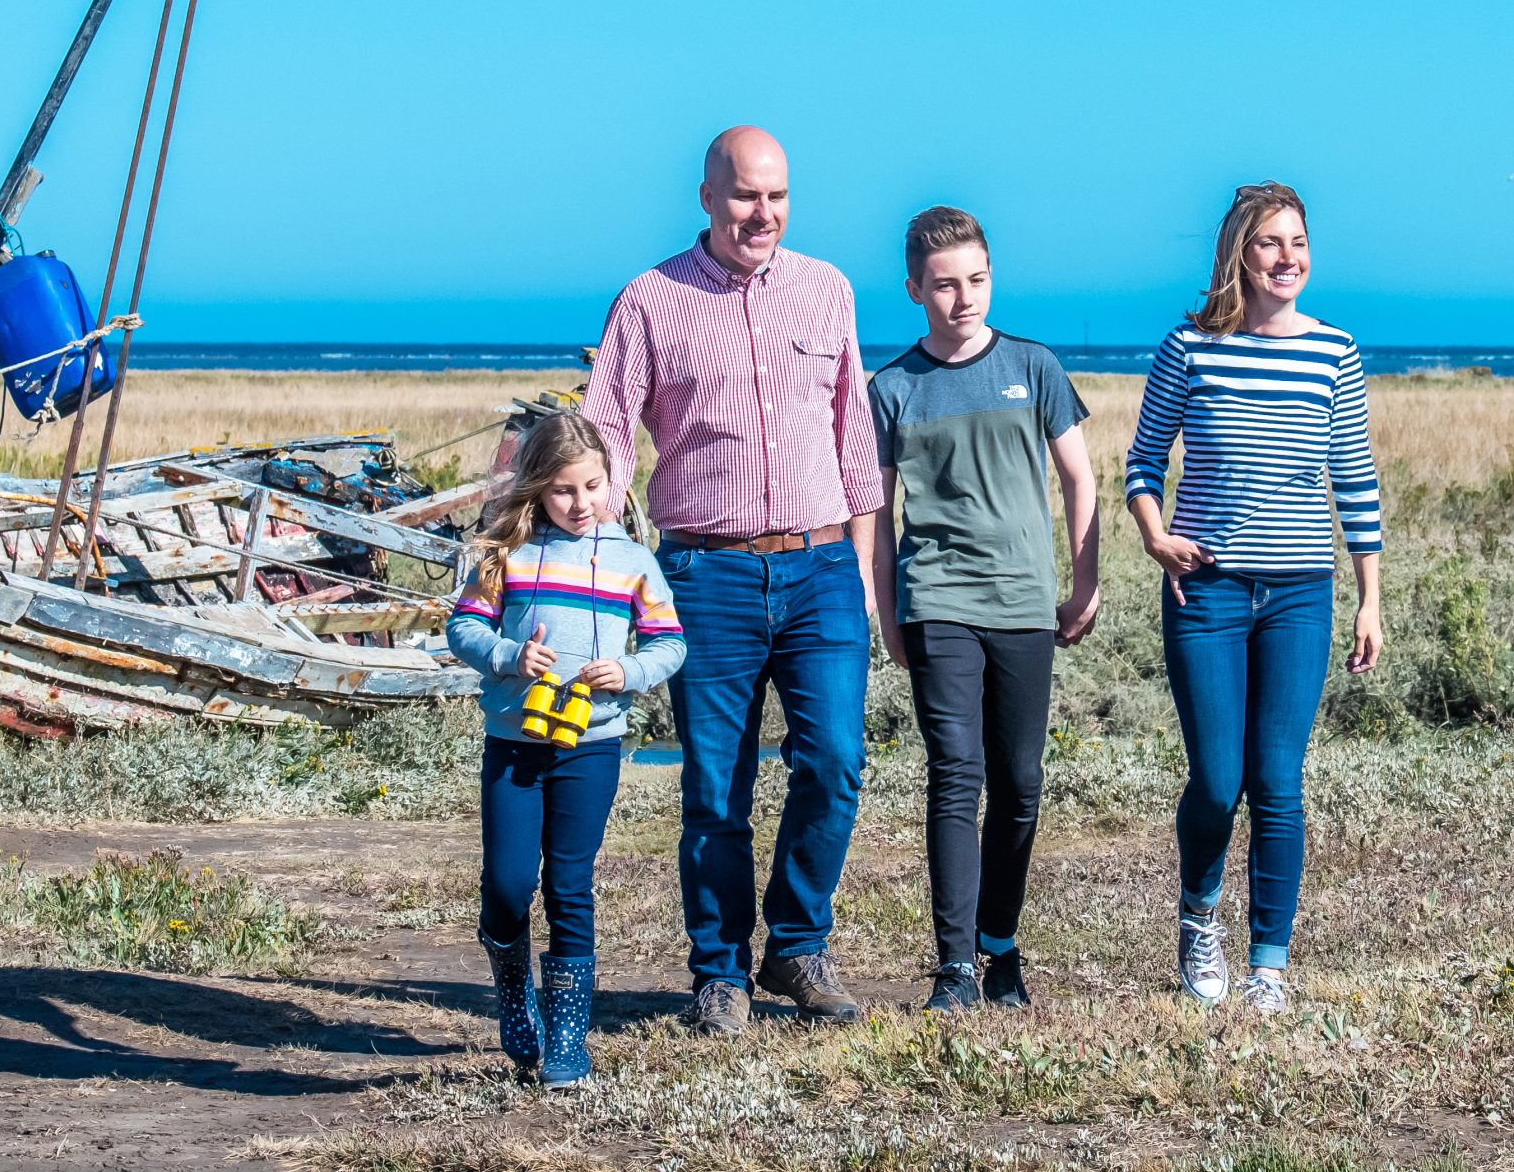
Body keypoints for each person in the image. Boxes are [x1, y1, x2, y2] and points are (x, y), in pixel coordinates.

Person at [581, 126, 883, 1038]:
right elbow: (604, 441)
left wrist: (865, 580)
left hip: (823, 565)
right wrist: (590, 566)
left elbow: (855, 442)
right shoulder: (648, 300)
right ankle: (719, 974)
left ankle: (797, 946)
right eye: (748, 196)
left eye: (779, 196)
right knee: (716, 785)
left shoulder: (827, 289)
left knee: (834, 762)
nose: (766, 214)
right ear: (708, 197)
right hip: (703, 574)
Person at [1122, 181, 1383, 1015]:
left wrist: (1369, 597)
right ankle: (1199, 919)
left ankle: (1269, 962)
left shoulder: (1334, 352)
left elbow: (1356, 480)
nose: (1287, 258)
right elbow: (1141, 464)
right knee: (1216, 779)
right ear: (1240, 252)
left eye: (1298, 242)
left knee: (1278, 780)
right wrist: (1155, 536)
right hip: (1208, 593)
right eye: (1270, 243)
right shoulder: (1190, 347)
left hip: (1301, 593)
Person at [868, 207, 1100, 1012]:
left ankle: (1001, 945)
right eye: (944, 285)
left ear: (990, 278)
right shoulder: (893, 387)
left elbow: (1081, 478)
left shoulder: (1035, 366)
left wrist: (1085, 580)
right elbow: (876, 510)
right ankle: (955, 966)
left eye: (975, 280)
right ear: (913, 290)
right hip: (937, 597)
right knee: (955, 775)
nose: (963, 299)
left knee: (1022, 781)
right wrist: (884, 610)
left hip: (1026, 601)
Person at [447, 412, 686, 1087]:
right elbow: (462, 630)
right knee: (509, 884)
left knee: (570, 884)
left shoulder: (634, 563)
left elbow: (670, 644)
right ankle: (515, 992)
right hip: (514, 746)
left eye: (592, 486)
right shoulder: (507, 556)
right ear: (536, 490)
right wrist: (509, 654)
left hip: (593, 746)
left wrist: (631, 671)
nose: (580, 503)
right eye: (562, 490)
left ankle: (568, 1040)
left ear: (612, 481)